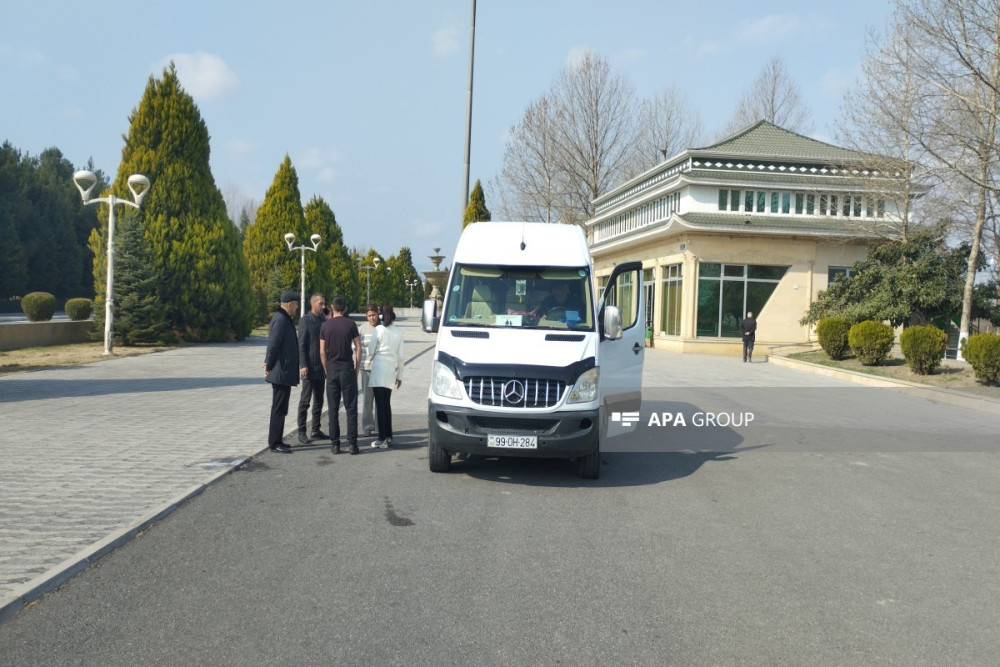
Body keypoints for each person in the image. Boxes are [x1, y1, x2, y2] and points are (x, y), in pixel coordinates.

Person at [319, 295, 361, 455]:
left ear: (332, 307)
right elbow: (358, 348)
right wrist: (356, 368)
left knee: (333, 408)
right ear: (345, 308)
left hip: (332, 370)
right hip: (347, 370)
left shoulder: (325, 325)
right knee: (351, 407)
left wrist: (326, 369)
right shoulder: (351, 324)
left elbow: (322, 351)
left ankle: (335, 444)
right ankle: (352, 444)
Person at [263, 291, 299, 454]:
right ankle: (274, 442)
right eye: (296, 305)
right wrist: (268, 365)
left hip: (284, 371)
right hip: (280, 371)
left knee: (282, 408)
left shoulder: (284, 319)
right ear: (290, 304)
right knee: (278, 408)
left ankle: (278, 440)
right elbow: (273, 345)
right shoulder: (280, 320)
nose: (297, 308)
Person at [367, 303, 404, 449]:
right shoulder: (398, 332)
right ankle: (388, 436)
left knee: (380, 405)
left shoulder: (379, 330)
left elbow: (370, 350)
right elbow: (401, 356)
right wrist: (400, 375)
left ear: (381, 315)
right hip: (391, 370)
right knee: (386, 404)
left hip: (379, 369)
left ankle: (381, 438)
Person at [296, 292, 328, 444]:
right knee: (305, 400)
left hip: (321, 367)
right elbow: (301, 344)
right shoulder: (305, 320)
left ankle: (315, 429)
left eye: (324, 303)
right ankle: (301, 431)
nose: (323, 306)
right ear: (312, 303)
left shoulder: (323, 320)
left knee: (319, 400)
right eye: (321, 303)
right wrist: (303, 364)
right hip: (309, 366)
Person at [357, 304, 380, 437]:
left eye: (374, 315)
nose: (372, 318)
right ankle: (367, 426)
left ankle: (380, 426)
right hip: (366, 369)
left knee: (380, 400)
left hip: (381, 370)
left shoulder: (383, 328)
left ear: (378, 314)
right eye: (369, 316)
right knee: (367, 399)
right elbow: (356, 348)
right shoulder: (362, 329)